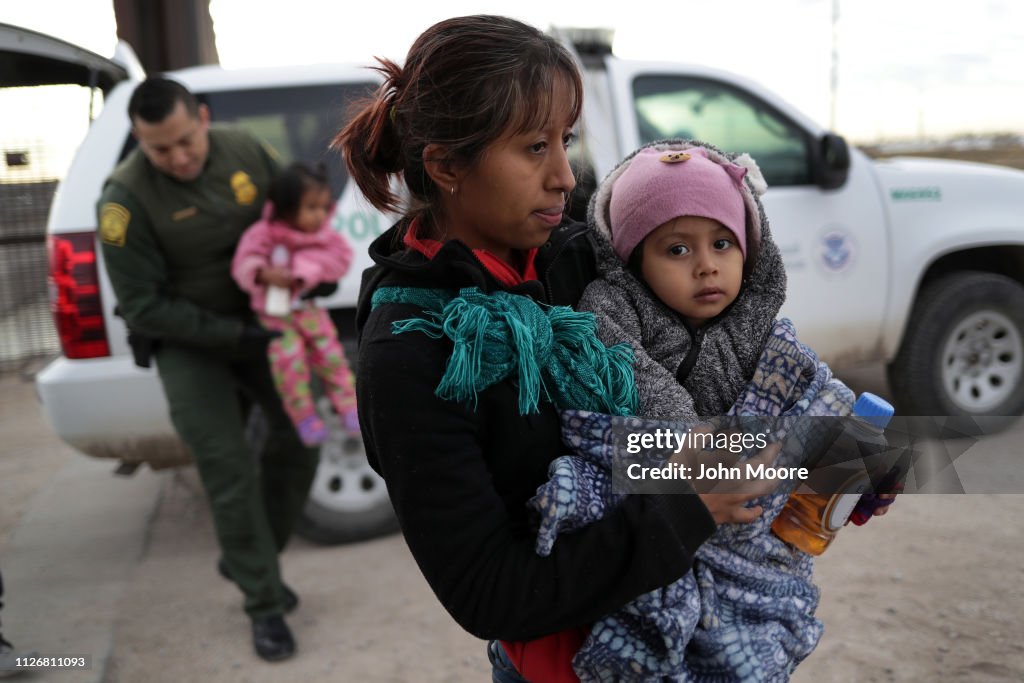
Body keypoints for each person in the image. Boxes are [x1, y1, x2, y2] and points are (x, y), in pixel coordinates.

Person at [334, 15, 771, 683]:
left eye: (565, 141)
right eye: (535, 148)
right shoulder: (411, 352)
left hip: (689, 643)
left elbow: (652, 422)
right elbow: (490, 589)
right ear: (448, 165)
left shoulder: (571, 260)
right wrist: (687, 508)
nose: (566, 176)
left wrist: (826, 461)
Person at [525, 139, 897, 680]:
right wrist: (700, 449)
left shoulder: (769, 341)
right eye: (677, 250)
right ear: (633, 261)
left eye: (723, 244)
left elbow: (817, 406)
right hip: (656, 531)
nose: (706, 267)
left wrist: (859, 474)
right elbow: (613, 426)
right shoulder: (611, 321)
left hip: (753, 554)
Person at [97, 76, 319, 662]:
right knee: (226, 468)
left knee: (304, 438)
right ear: (139, 142)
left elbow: (290, 215)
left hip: (260, 322)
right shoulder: (123, 199)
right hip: (187, 341)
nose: (177, 158)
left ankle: (252, 557)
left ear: (200, 117)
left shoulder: (243, 149)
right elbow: (144, 306)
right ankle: (265, 605)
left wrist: (300, 272)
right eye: (158, 149)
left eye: (183, 141)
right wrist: (232, 334)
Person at [231, 162, 359, 445]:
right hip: (276, 316)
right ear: (286, 207)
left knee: (333, 358)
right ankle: (304, 418)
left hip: (311, 311)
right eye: (312, 207)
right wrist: (262, 273)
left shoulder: (324, 235)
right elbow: (243, 263)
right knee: (289, 367)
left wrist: (303, 271)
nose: (320, 215)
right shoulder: (262, 235)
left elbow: (339, 259)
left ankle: (350, 407)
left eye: (324, 207)